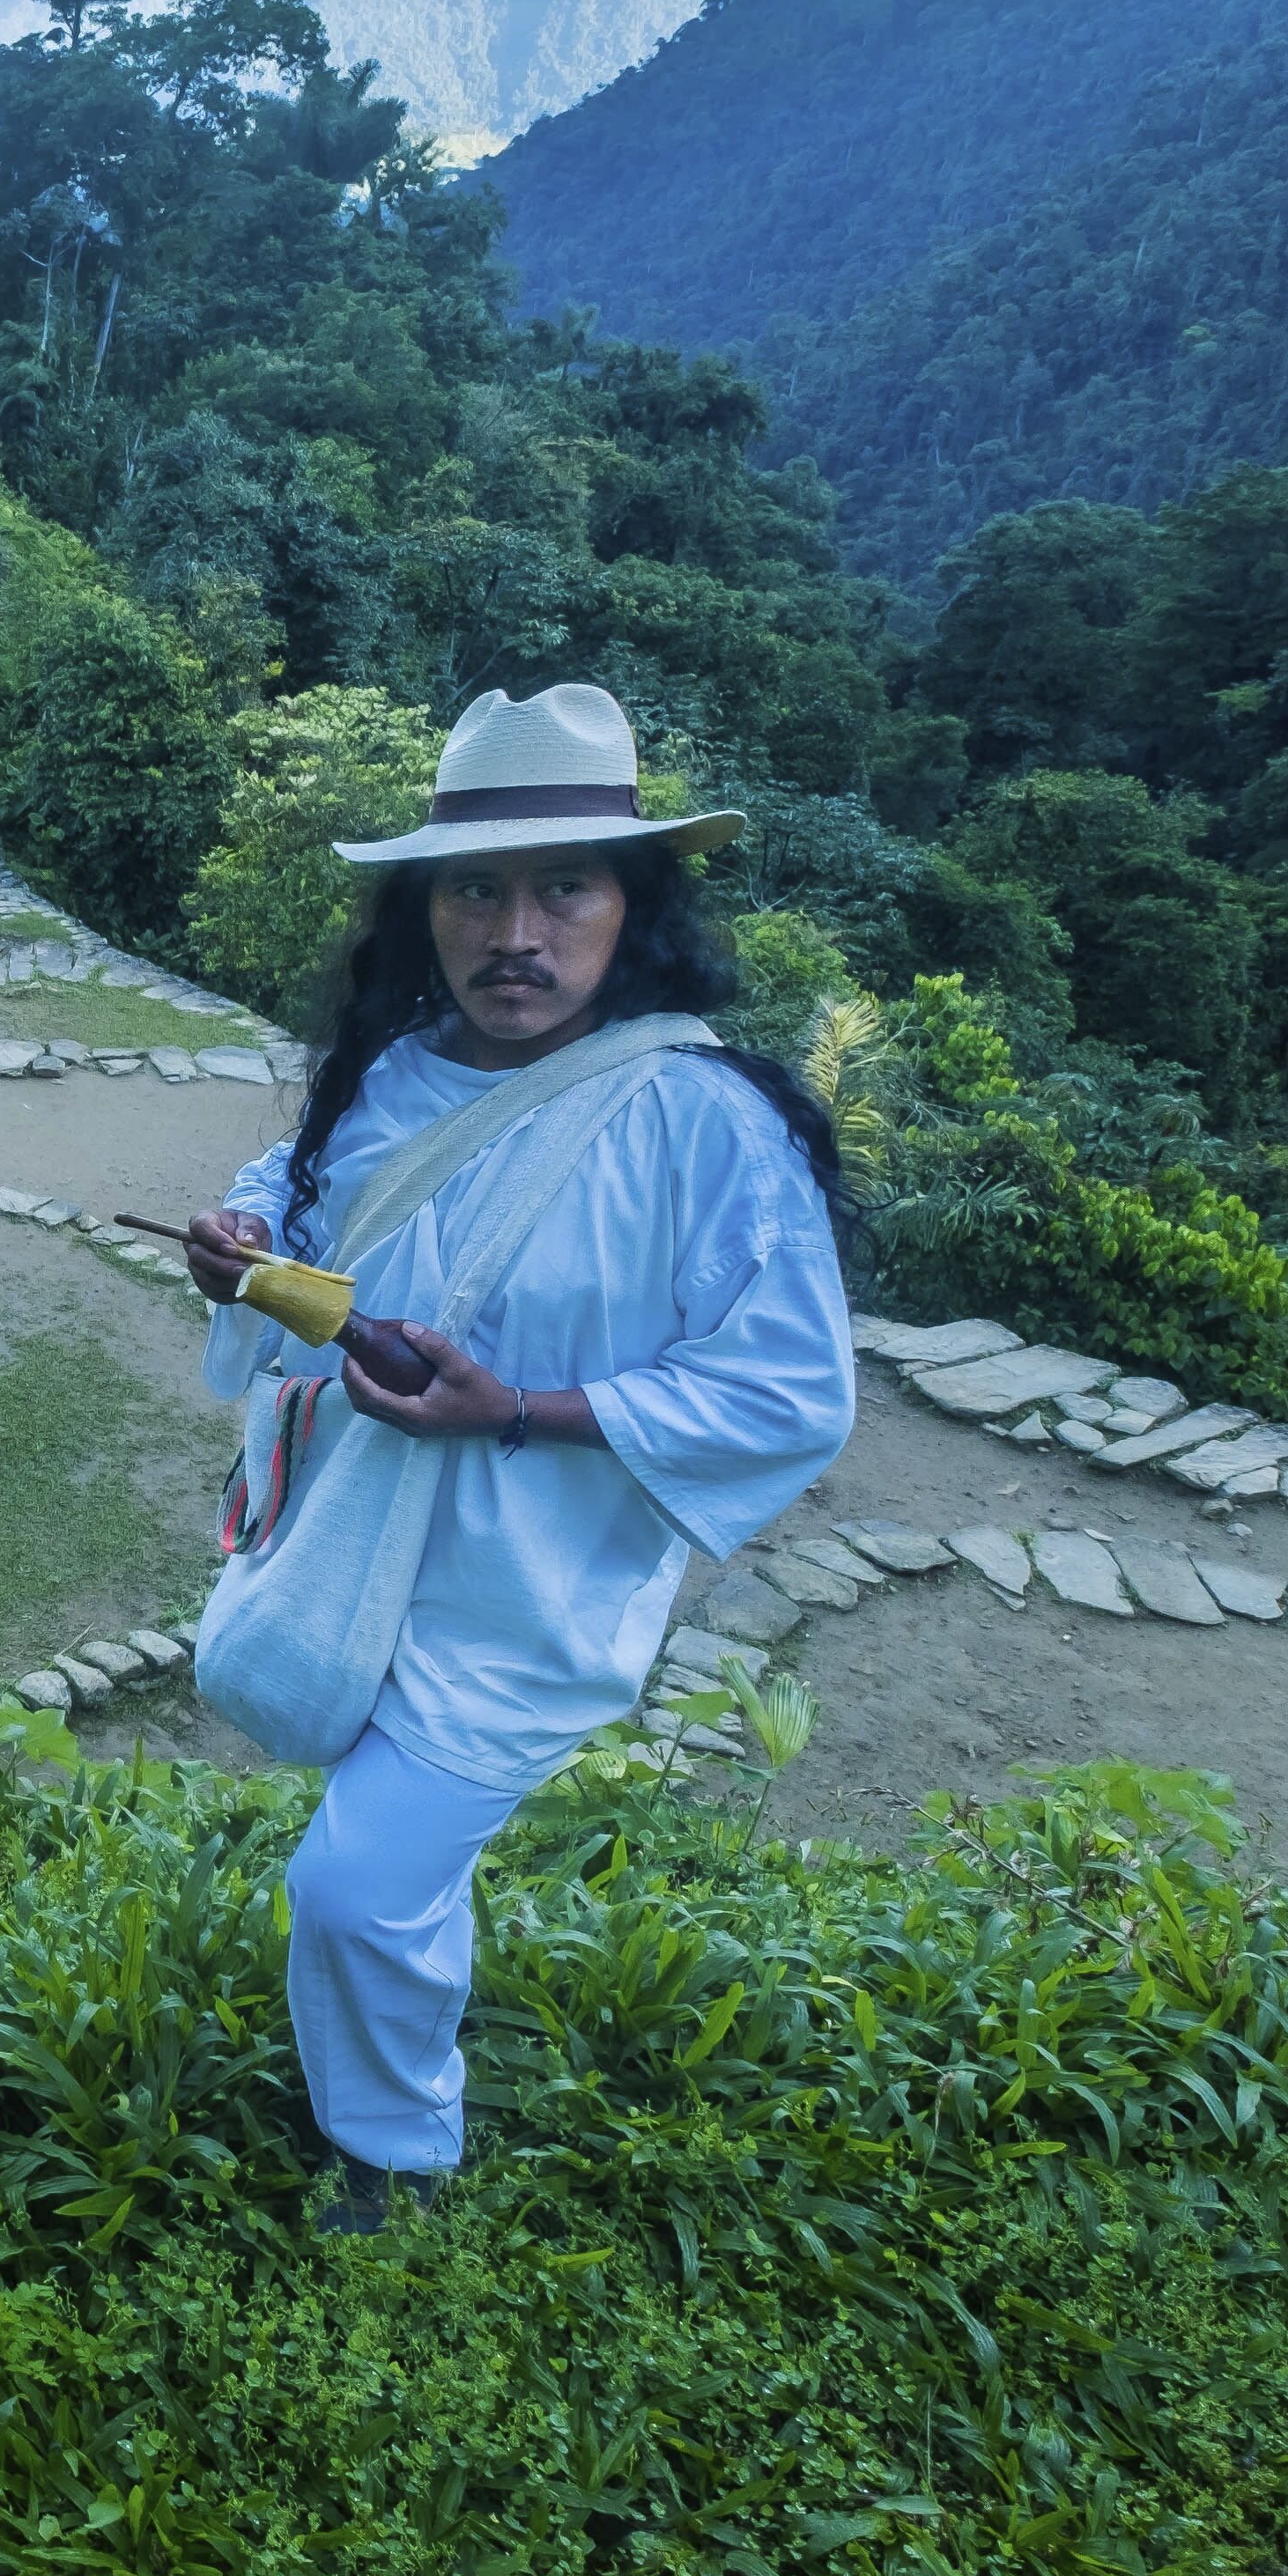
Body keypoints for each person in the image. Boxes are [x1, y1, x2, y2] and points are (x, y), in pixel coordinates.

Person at [181, 683, 855, 2233]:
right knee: (386, 1865)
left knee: (352, 1884)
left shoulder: (704, 1124)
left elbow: (791, 1388)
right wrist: (249, 1244)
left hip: (524, 1596)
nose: (516, 931)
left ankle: (396, 2169)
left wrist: (521, 1413)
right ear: (426, 910)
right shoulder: (392, 1080)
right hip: (354, 1546)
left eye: (566, 886)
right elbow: (304, 1201)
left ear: (633, 909)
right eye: (475, 887)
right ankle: (393, 2063)